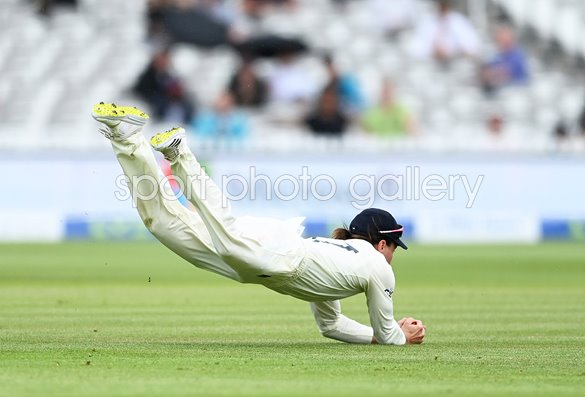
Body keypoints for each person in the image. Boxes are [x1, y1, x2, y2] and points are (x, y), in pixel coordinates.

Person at [91, 102, 426, 345]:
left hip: (265, 261)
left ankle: (126, 137)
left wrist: (384, 335)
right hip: (277, 254)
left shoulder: (339, 261)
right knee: (222, 225)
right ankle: (180, 153)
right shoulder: (378, 267)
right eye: (395, 248)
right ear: (382, 244)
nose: (394, 256)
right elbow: (388, 336)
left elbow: (331, 325)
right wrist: (402, 334)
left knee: (162, 223)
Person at [411, 0, 480, 63]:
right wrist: (433, 51)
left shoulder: (459, 21)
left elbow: (472, 44)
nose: (443, 7)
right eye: (441, 4)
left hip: (456, 63)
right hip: (432, 65)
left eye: (445, 4)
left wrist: (452, 50)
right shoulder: (427, 22)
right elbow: (415, 47)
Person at [480, 25, 529, 95]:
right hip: (504, 91)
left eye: (504, 40)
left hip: (518, 91)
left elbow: (506, 71)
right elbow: (487, 66)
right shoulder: (500, 55)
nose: (502, 43)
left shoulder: (518, 55)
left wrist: (491, 73)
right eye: (500, 40)